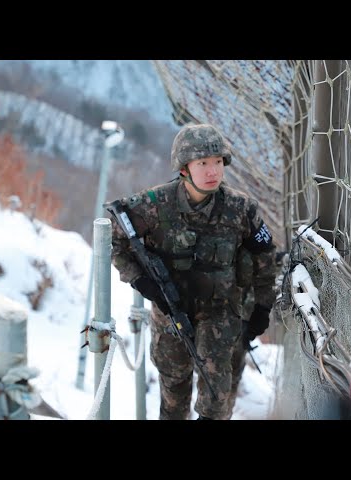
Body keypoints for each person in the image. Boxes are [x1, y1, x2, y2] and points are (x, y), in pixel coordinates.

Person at [109, 123, 276, 420]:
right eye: (203, 163)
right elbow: (115, 239)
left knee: (216, 399)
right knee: (174, 396)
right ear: (184, 168)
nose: (213, 171)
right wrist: (141, 281)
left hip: (220, 312)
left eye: (217, 163)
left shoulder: (240, 209)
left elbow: (264, 257)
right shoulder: (155, 205)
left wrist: (262, 306)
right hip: (171, 314)